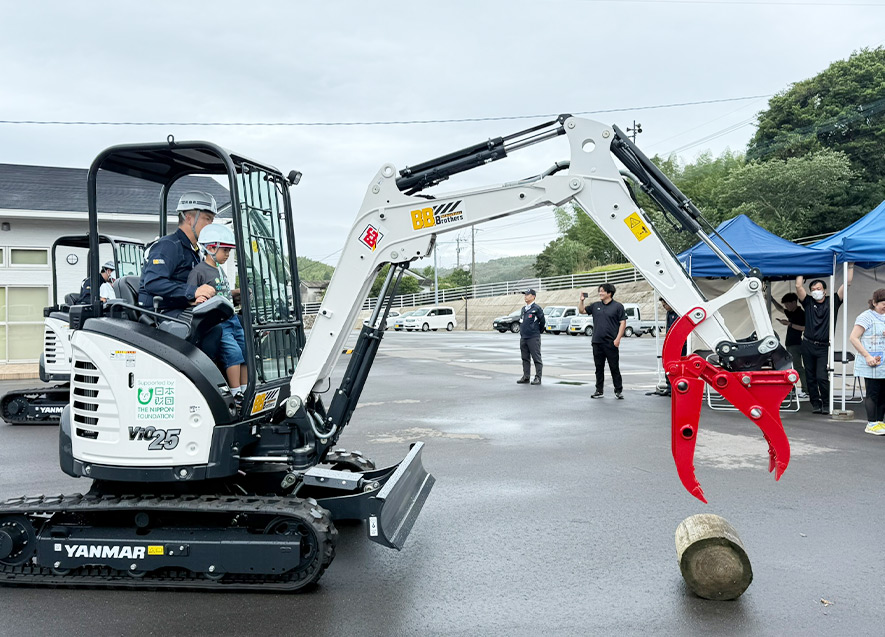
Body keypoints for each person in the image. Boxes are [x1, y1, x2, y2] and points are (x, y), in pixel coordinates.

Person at [188, 224, 248, 398]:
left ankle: (246, 389)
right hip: (219, 322)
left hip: (233, 318)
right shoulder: (199, 271)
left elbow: (223, 292)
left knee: (244, 351)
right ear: (211, 247)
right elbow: (191, 295)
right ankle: (236, 393)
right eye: (225, 251)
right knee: (233, 353)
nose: (228, 255)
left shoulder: (219, 269)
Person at [138, 191, 218, 316]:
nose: (210, 225)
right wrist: (194, 291)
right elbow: (153, 282)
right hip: (158, 312)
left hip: (180, 308)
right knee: (215, 330)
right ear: (189, 219)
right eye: (207, 219)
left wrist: (227, 295)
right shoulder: (168, 246)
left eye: (212, 221)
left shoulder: (195, 251)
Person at [796, 268, 853, 414]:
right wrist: (800, 265)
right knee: (810, 376)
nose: (816, 291)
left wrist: (850, 265)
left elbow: (847, 283)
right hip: (807, 344)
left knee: (822, 376)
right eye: (813, 289)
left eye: (819, 288)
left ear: (825, 291)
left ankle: (827, 403)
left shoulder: (833, 300)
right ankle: (815, 403)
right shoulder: (808, 302)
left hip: (823, 347)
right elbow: (798, 286)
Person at [580, 283, 626, 399]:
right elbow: (582, 311)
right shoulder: (595, 306)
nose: (600, 293)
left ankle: (618, 390)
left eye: (602, 291)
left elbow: (623, 323)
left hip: (611, 342)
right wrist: (581, 300)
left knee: (614, 367)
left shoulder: (618, 306)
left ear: (609, 293)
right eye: (599, 291)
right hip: (597, 342)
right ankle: (599, 390)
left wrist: (618, 339)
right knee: (598, 368)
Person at [848, 288, 885, 435]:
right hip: (870, 360)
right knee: (873, 392)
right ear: (874, 303)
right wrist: (867, 356)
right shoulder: (865, 317)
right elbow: (853, 338)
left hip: (883, 359)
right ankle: (871, 423)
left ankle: (880, 422)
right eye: (883, 303)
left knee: (883, 393)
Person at [771, 292, 807, 399]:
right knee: (791, 367)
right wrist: (771, 299)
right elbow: (780, 309)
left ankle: (806, 389)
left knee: (797, 367)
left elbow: (804, 328)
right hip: (790, 343)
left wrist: (789, 324)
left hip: (796, 343)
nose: (786, 307)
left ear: (793, 302)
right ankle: (793, 389)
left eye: (787, 304)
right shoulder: (791, 312)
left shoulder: (800, 313)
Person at [516, 289, 544, 385]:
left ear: (533, 297)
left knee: (536, 357)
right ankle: (526, 376)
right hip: (524, 337)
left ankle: (538, 377)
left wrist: (536, 331)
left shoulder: (537, 309)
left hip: (533, 336)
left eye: (528, 295)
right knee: (525, 358)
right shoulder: (524, 309)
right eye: (525, 295)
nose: (525, 296)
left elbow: (542, 322)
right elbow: (521, 321)